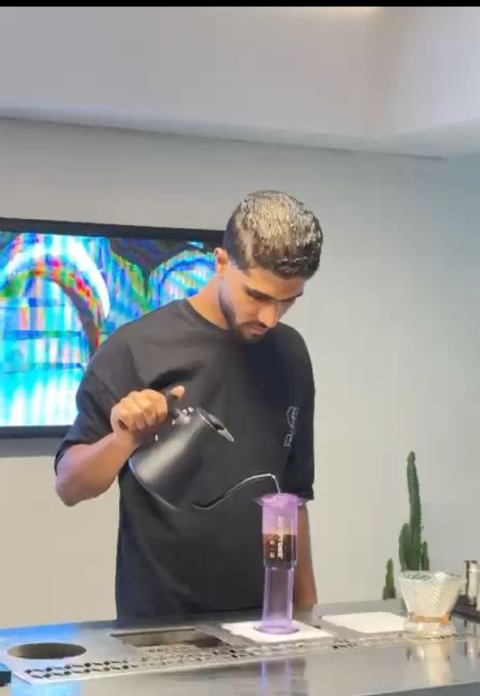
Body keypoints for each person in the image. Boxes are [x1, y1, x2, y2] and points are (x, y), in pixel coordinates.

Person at [54, 190, 323, 622]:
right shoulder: (135, 349)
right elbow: (70, 486)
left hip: (266, 622)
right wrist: (124, 440)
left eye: (287, 300)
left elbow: (293, 498)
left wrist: (307, 611)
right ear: (221, 262)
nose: (270, 318)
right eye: (256, 295)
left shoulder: (291, 353)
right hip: (159, 627)